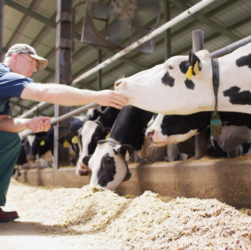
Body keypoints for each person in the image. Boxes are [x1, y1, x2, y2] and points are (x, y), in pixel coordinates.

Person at [0, 43, 129, 222]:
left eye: (36, 66)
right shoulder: (3, 75)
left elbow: (2, 123)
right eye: (31, 62)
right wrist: (95, 96)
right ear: (15, 57)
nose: (34, 69)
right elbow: (45, 92)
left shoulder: (5, 91)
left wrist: (28, 123)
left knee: (9, 140)